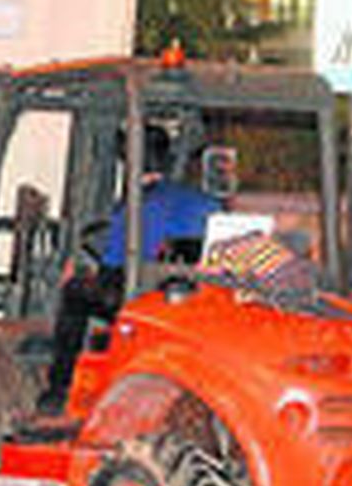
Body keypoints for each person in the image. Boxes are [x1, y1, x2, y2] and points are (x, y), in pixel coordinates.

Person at [41, 125, 220, 410]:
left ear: (130, 162)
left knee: (75, 293)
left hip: (144, 300)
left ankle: (57, 389)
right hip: (196, 300)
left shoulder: (135, 208)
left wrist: (79, 273)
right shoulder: (205, 202)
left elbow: (111, 265)